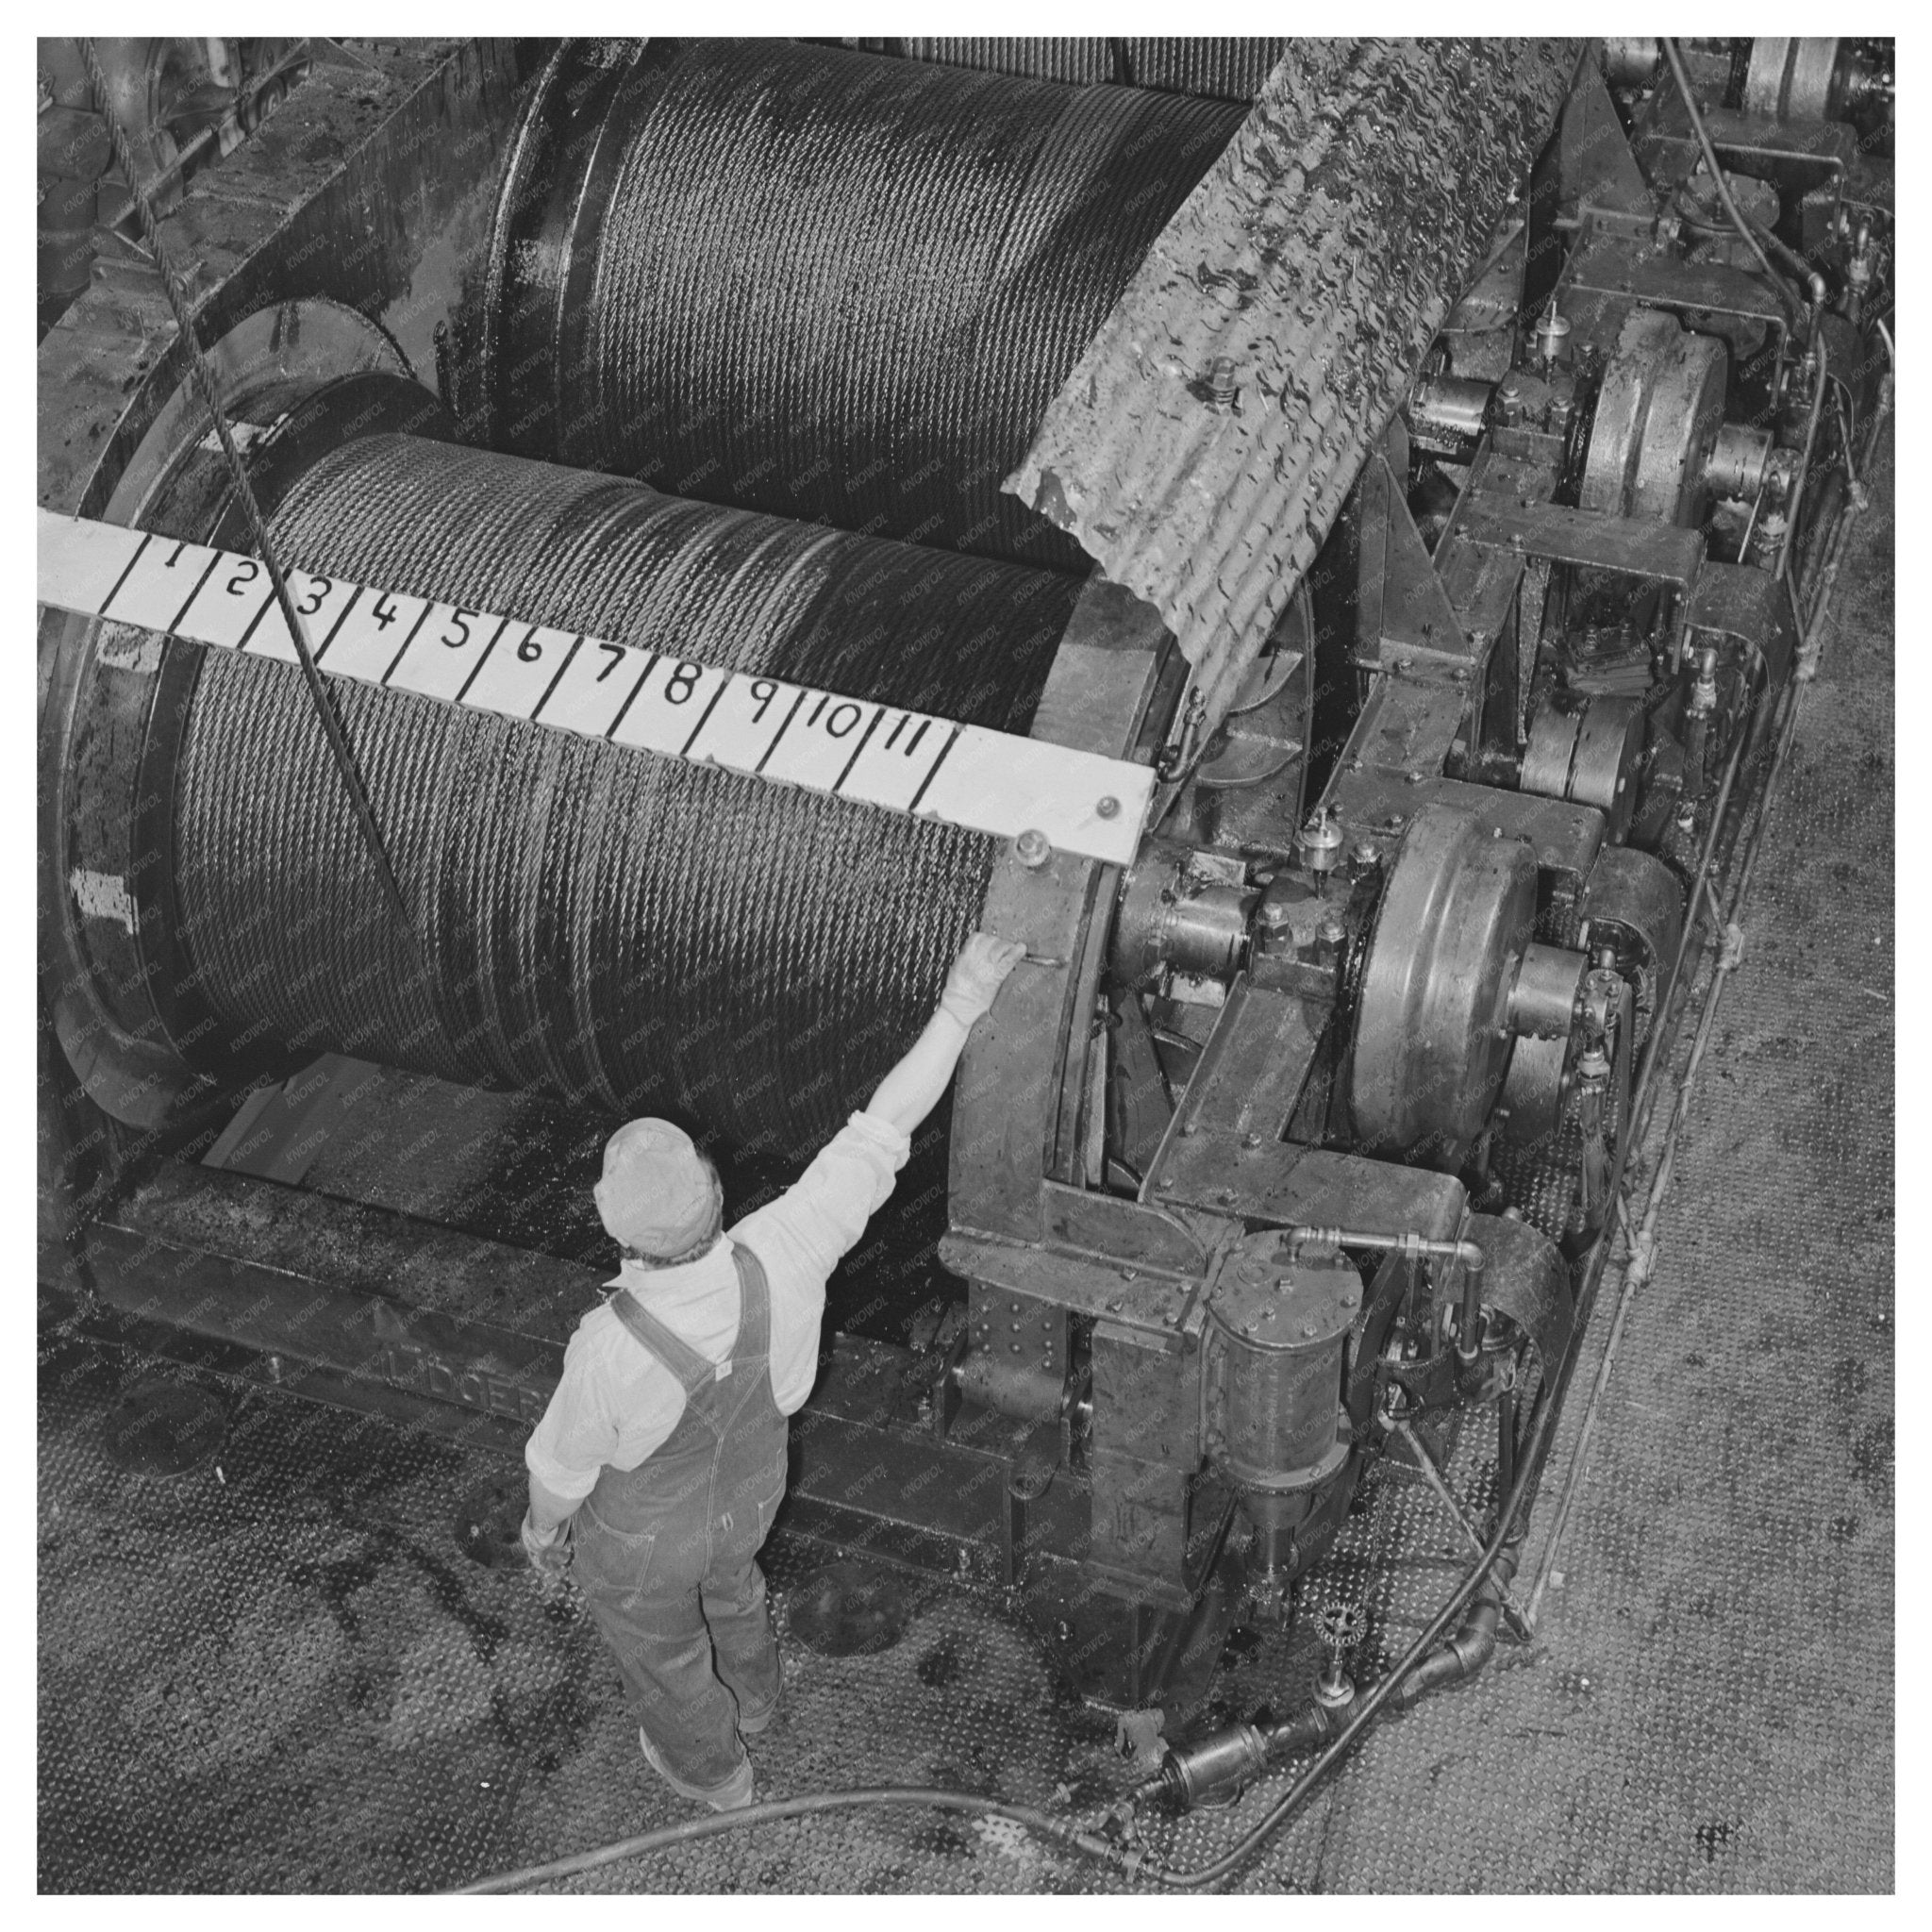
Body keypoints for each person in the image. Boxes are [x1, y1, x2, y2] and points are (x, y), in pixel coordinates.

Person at [520, 930, 1027, 1811]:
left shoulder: (607, 1346)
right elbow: (885, 1127)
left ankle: (716, 1776)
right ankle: (756, 1704)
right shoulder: (789, 1243)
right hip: (751, 1496)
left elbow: (560, 1475)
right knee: (733, 1588)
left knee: (666, 1654)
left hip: (647, 1544)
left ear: (613, 1226)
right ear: (716, 1189)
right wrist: (962, 1003)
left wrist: (540, 1535)